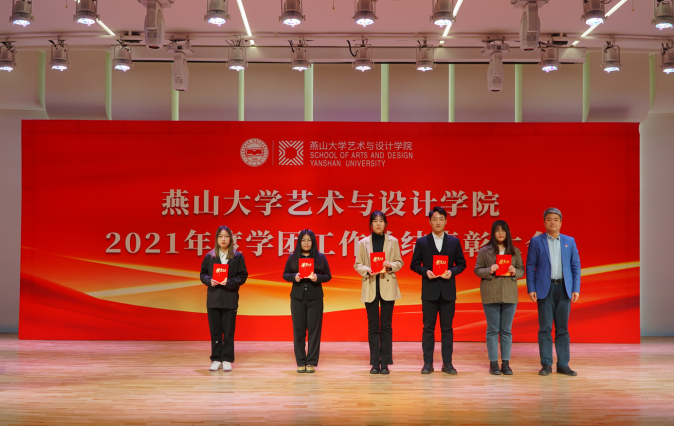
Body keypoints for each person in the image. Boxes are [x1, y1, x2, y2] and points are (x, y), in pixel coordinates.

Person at [410, 206, 467, 375]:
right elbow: (414, 264)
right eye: (434, 219)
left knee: (447, 329)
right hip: (429, 291)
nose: (438, 222)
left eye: (441, 219)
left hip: (448, 292)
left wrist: (452, 272)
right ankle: (428, 363)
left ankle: (447, 363)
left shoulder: (454, 241)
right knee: (428, 328)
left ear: (446, 221)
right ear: (429, 221)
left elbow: (462, 263)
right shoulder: (422, 242)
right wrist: (425, 271)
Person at [526, 207, 581, 376]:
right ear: (544, 222)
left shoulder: (569, 241)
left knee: (562, 329)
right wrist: (531, 288)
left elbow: (575, 266)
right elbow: (530, 266)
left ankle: (563, 364)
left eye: (556, 219)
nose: (552, 222)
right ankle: (546, 364)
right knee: (545, 328)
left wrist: (575, 288)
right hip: (545, 288)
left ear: (561, 222)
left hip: (564, 288)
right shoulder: (536, 241)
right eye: (549, 219)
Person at [354, 211, 404, 375]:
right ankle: (375, 362)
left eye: (381, 221)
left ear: (385, 224)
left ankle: (385, 363)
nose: (378, 224)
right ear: (371, 224)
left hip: (387, 285)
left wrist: (391, 265)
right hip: (371, 285)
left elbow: (399, 262)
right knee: (373, 326)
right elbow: (357, 264)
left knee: (387, 326)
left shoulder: (393, 241)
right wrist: (367, 270)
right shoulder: (363, 243)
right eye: (375, 221)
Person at [474, 220, 525, 375]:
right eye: (497, 230)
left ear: (507, 233)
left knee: (506, 330)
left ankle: (506, 363)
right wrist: (490, 269)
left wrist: (514, 271)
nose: (500, 233)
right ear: (493, 233)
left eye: (503, 230)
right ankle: (493, 363)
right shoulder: (485, 251)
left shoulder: (515, 251)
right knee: (492, 329)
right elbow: (477, 270)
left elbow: (521, 270)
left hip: (509, 293)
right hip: (491, 293)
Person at [282, 229, 332, 373]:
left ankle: (311, 362)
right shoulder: (293, 257)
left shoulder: (320, 257)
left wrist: (317, 277)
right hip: (297, 297)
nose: (306, 242)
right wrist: (294, 277)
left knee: (314, 330)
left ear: (313, 242)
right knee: (298, 330)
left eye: (309, 240)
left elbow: (328, 275)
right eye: (303, 240)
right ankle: (300, 361)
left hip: (315, 297)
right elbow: (285, 274)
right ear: (299, 242)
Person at [199, 225, 248, 372]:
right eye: (220, 236)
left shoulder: (237, 256)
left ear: (230, 238)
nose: (223, 239)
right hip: (213, 299)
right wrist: (209, 281)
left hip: (229, 298)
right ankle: (216, 359)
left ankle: (226, 359)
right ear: (216, 239)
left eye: (226, 236)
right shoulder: (210, 256)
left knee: (228, 332)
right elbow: (203, 274)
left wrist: (230, 282)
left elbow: (243, 276)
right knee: (215, 331)